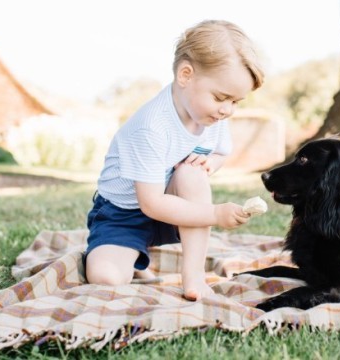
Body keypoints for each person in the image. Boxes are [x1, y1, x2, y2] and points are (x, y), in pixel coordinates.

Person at [84, 19, 265, 301]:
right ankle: (129, 255)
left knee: (192, 174)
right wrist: (216, 214)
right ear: (185, 75)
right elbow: (151, 203)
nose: (227, 110)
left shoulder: (211, 115)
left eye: (236, 102)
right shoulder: (151, 126)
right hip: (124, 214)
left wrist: (209, 165)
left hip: (174, 206)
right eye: (222, 97)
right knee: (106, 279)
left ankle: (193, 277)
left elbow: (219, 153)